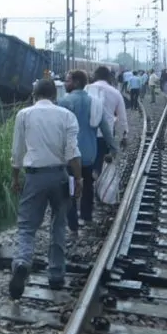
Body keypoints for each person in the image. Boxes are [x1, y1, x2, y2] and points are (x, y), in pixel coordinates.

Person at [9, 78, 82, 298]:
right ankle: (56, 276)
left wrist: (15, 178)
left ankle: (22, 261)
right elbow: (72, 152)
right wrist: (78, 179)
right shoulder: (66, 116)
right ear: (54, 96)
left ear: (34, 94)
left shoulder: (24, 115)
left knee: (27, 226)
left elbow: (17, 151)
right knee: (58, 225)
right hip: (60, 176)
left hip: (34, 177)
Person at [59, 70, 117, 234]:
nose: (65, 83)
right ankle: (86, 215)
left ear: (76, 83)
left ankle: (73, 224)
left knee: (70, 187)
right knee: (88, 185)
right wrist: (113, 148)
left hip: (70, 156)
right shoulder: (95, 103)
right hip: (89, 154)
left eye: (68, 80)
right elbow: (106, 130)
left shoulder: (64, 102)